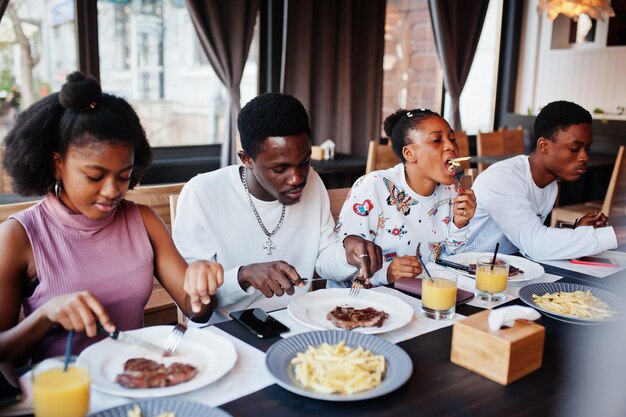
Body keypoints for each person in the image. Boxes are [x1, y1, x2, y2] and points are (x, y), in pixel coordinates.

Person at [0, 72, 223, 365]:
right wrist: (46, 314)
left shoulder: (142, 220)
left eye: (124, 176)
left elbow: (196, 310)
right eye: (95, 176)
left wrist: (202, 287)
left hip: (136, 379)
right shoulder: (19, 237)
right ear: (57, 164)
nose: (112, 191)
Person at [172, 92, 382, 322]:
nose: (297, 178)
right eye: (280, 169)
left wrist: (346, 252)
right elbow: (194, 300)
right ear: (247, 159)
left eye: (304, 162)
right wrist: (243, 276)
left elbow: (323, 261)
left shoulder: (312, 181)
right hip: (225, 332)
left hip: (298, 321)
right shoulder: (202, 193)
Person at [465, 100, 625, 260]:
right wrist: (617, 235)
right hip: (465, 271)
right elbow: (535, 245)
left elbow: (531, 242)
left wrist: (578, 233)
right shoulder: (502, 179)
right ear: (543, 146)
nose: (584, 157)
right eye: (575, 149)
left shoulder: (550, 185)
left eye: (587, 149)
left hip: (506, 267)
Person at [333, 109, 477, 286]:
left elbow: (446, 264)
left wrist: (459, 225)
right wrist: (386, 273)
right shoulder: (374, 187)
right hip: (363, 302)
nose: (451, 146)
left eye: (452, 138)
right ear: (409, 154)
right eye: (437, 140)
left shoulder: (452, 190)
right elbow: (339, 267)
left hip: (422, 295)